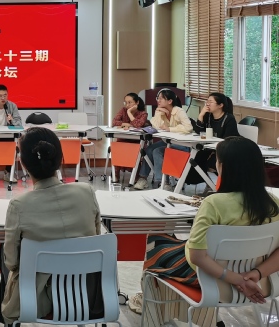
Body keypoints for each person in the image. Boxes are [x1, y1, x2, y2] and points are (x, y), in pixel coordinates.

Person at [136, 137, 279, 326]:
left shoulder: (214, 204)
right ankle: (207, 318)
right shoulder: (273, 204)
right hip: (261, 283)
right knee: (178, 244)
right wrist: (256, 274)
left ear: (223, 167)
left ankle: (157, 312)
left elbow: (197, 257)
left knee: (156, 242)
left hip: (212, 281)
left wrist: (237, 279)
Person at [1, 127, 102, 324]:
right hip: (87, 297)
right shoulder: (86, 192)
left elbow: (11, 262)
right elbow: (95, 241)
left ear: (23, 163)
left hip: (38, 301)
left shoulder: (19, 205)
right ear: (59, 158)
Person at [133, 88, 192, 190]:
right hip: (168, 142)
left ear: (170, 101)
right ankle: (143, 178)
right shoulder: (161, 111)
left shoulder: (179, 111)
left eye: (161, 98)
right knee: (149, 149)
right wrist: (157, 112)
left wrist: (170, 129)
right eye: (158, 98)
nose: (158, 100)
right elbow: (156, 126)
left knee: (157, 151)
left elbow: (188, 128)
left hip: (182, 144)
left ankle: (163, 182)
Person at [111, 93, 149, 181]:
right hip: (123, 138)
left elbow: (138, 125)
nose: (127, 105)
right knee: (118, 148)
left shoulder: (143, 113)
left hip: (136, 141)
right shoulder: (123, 110)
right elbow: (114, 121)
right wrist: (125, 123)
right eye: (126, 102)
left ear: (137, 102)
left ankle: (135, 175)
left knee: (134, 150)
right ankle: (116, 174)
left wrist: (129, 113)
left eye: (130, 102)